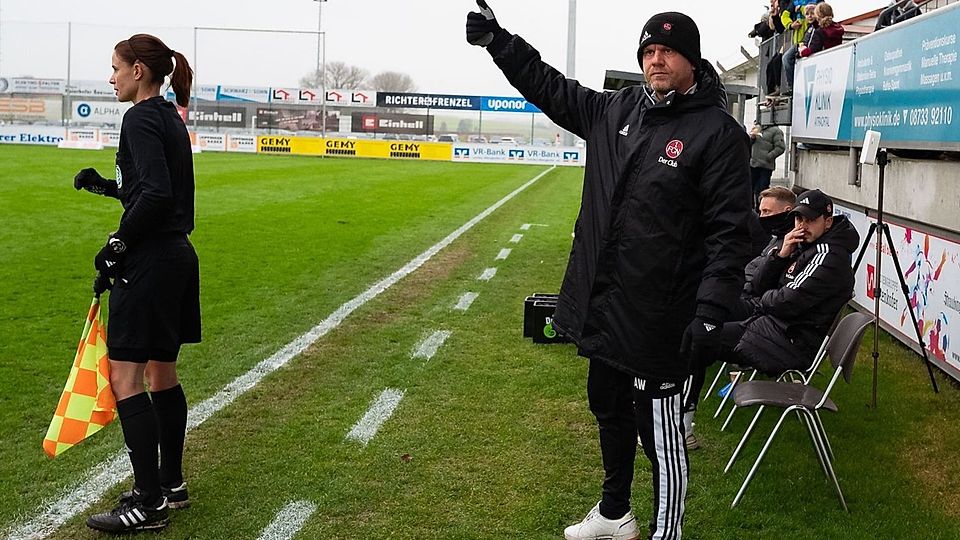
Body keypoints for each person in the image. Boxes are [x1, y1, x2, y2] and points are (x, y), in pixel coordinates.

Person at [467, 4, 753, 539]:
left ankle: (667, 532)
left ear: (692, 60)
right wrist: (499, 43)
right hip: (606, 307)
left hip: (662, 319)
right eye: (649, 51)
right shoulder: (615, 110)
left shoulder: (718, 134)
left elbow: (730, 234)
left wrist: (711, 311)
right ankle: (615, 513)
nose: (656, 60)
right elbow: (549, 87)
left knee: (659, 436)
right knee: (608, 406)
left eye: (668, 51)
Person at [73, 33, 199, 533]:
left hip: (148, 262)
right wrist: (109, 187)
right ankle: (171, 484)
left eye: (115, 68)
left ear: (138, 71)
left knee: (126, 378)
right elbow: (150, 188)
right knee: (161, 374)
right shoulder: (169, 116)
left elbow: (158, 195)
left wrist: (117, 245)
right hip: (176, 259)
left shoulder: (140, 117)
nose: (112, 78)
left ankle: (148, 503)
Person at [682, 186, 797, 437]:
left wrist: (776, 258)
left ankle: (683, 422)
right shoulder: (777, 237)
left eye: (767, 212)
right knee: (694, 309)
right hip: (746, 298)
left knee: (699, 329)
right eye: (760, 211)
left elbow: (768, 289)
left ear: (787, 211)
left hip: (755, 310)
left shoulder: (791, 244)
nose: (762, 217)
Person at [781, 2, 817, 95]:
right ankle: (793, 87)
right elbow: (784, 15)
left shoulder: (815, 24)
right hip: (799, 43)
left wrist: (801, 8)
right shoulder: (793, 2)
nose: (809, 16)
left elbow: (821, 10)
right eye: (807, 14)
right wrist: (790, 25)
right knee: (787, 59)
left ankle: (794, 88)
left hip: (806, 44)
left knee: (788, 59)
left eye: (811, 14)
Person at [748, 122, 786, 208]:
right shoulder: (757, 128)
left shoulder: (776, 131)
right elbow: (749, 144)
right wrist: (752, 138)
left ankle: (761, 209)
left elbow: (780, 147)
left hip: (766, 166)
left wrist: (768, 157)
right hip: (753, 164)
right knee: (749, 188)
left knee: (762, 190)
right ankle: (750, 209)